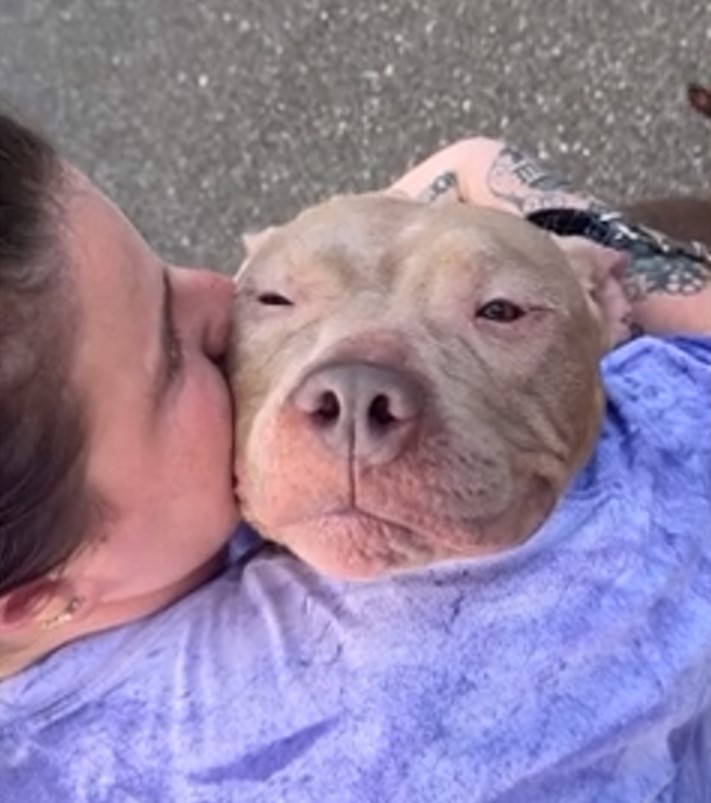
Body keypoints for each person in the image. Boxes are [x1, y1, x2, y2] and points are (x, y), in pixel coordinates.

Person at [0, 109, 709, 802]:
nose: (225, 290)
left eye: (266, 297)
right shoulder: (470, 652)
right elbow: (473, 163)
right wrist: (570, 259)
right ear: (33, 602)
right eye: (173, 354)